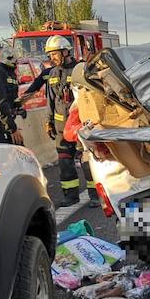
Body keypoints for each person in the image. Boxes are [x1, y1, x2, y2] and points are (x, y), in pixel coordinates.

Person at [42, 35, 98, 208]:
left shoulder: (80, 70)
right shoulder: (52, 74)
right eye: (50, 55)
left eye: (55, 54)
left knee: (87, 161)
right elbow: (50, 100)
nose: (52, 58)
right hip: (61, 128)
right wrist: (48, 121)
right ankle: (71, 196)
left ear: (65, 52)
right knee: (65, 161)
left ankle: (95, 195)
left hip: (80, 125)